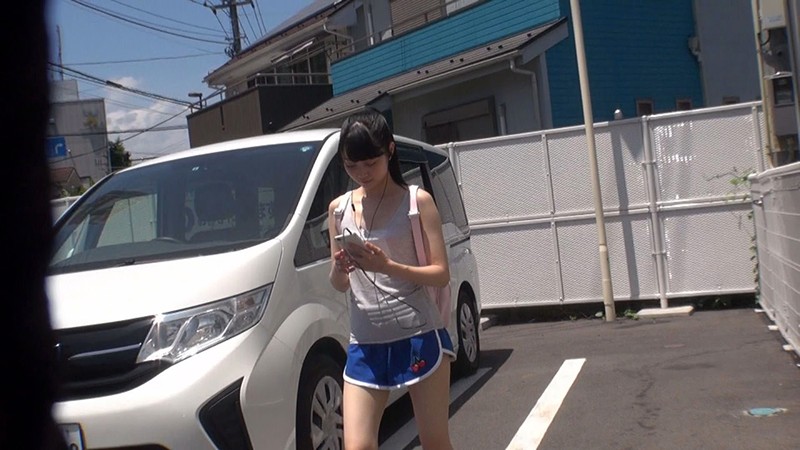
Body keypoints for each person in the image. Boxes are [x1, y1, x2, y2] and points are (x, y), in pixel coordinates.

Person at [328, 108, 455, 450]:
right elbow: (339, 284)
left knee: (434, 442)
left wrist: (387, 266)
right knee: (357, 446)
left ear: (390, 150)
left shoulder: (417, 202)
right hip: (364, 340)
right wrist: (340, 268)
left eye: (370, 163)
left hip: (418, 334)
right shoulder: (338, 210)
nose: (362, 173)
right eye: (351, 165)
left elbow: (441, 274)